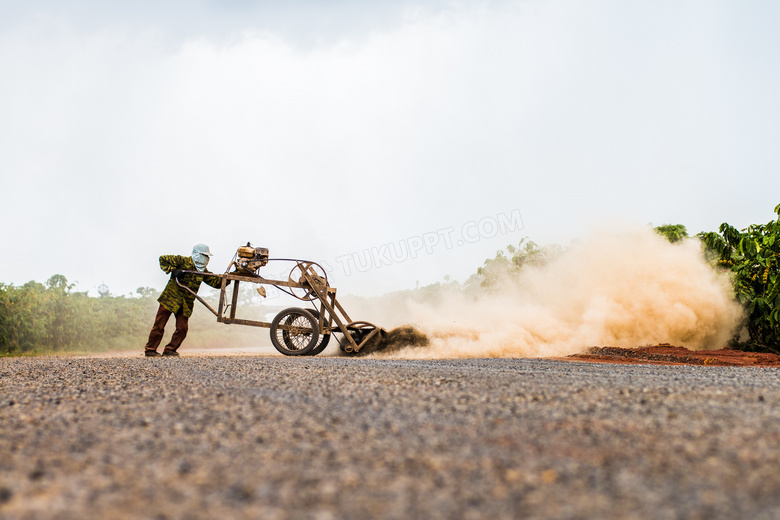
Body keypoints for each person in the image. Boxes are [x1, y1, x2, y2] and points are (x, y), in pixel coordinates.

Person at [144, 244, 226, 357]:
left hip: (185, 303)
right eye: (203, 256)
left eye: (207, 257)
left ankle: (170, 350)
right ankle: (150, 350)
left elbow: (215, 282)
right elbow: (163, 259)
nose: (206, 259)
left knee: (182, 328)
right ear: (196, 254)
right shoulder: (182, 261)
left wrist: (229, 278)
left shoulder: (203, 271)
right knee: (159, 325)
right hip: (170, 299)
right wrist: (173, 270)